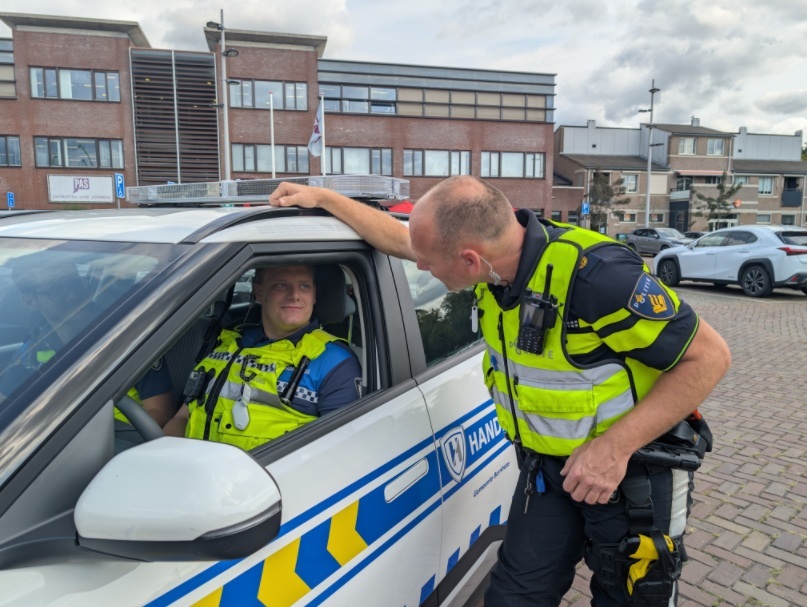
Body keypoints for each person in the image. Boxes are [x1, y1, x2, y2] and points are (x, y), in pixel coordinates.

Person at [268, 177, 731, 606]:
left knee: (631, 596)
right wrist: (325, 198)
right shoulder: (494, 262)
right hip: (550, 474)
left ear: (470, 258)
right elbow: (396, 238)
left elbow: (709, 359)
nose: (420, 266)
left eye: (428, 262)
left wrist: (614, 448)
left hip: (633, 474)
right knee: (514, 595)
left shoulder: (598, 276)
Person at [164, 264, 362, 450]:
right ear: (259, 292)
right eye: (281, 285)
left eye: (304, 286)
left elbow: (340, 449)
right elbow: (183, 417)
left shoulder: (334, 362)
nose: (294, 295)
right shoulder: (229, 343)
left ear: (314, 295)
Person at [0, 257, 175, 426]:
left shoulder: (125, 333)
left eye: (76, 283)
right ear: (30, 301)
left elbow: (160, 413)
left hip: (116, 444)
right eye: (57, 291)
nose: (73, 295)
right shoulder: (33, 349)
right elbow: (4, 402)